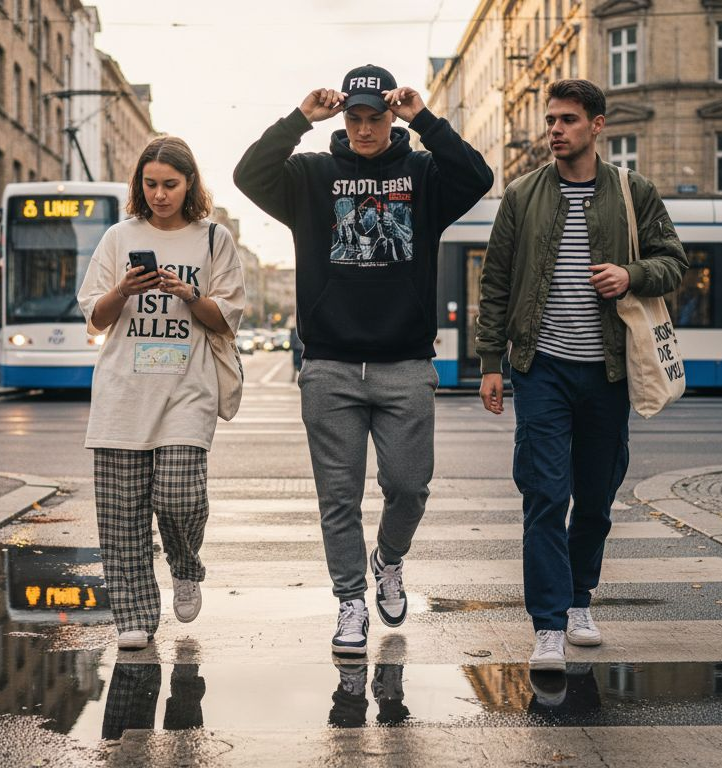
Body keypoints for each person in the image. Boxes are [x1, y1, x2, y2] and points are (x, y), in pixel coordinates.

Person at [234, 64, 493, 656]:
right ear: (343, 117)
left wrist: (424, 119)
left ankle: (389, 560)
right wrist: (300, 119)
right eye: (355, 117)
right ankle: (351, 601)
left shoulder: (424, 174)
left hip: (404, 363)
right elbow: (248, 174)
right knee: (339, 497)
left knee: (410, 486)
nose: (365, 128)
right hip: (329, 365)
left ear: (389, 117)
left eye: (376, 117)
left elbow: (478, 175)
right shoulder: (310, 175)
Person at [475, 79, 688, 671]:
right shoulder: (521, 195)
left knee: (595, 497)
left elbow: (675, 261)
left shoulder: (632, 191)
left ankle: (577, 601)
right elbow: (495, 284)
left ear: (598, 125)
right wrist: (491, 363)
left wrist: (631, 274)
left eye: (568, 119)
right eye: (551, 120)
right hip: (540, 369)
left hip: (608, 373)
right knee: (545, 494)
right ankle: (547, 625)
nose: (555, 129)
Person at [77, 136, 246, 651]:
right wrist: (124, 290)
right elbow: (95, 317)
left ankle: (185, 565)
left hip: (187, 390)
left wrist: (189, 293)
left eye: (170, 184)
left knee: (179, 496)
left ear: (190, 183)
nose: (159, 194)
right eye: (150, 184)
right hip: (122, 392)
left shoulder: (213, 239)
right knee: (122, 513)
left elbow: (228, 318)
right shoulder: (117, 237)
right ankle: (134, 615)